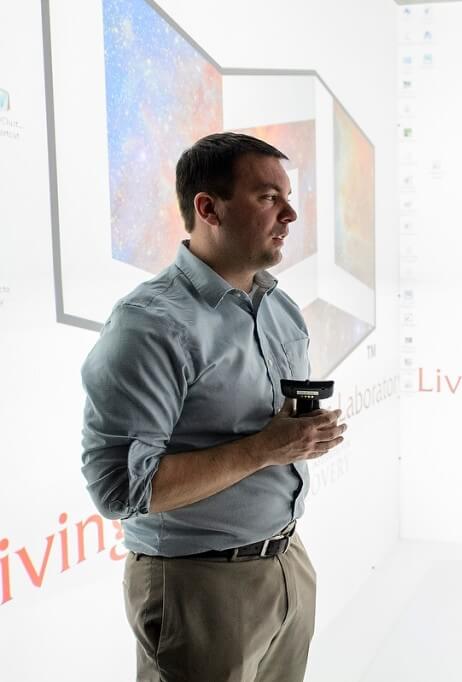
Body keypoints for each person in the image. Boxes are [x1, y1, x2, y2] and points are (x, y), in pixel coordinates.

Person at [80, 132, 347, 681]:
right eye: (268, 197)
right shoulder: (150, 325)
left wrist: (296, 438)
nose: (291, 214)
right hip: (197, 587)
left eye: (287, 197)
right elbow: (120, 491)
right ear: (208, 208)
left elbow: (269, 434)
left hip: (287, 564)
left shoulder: (278, 306)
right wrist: (265, 448)